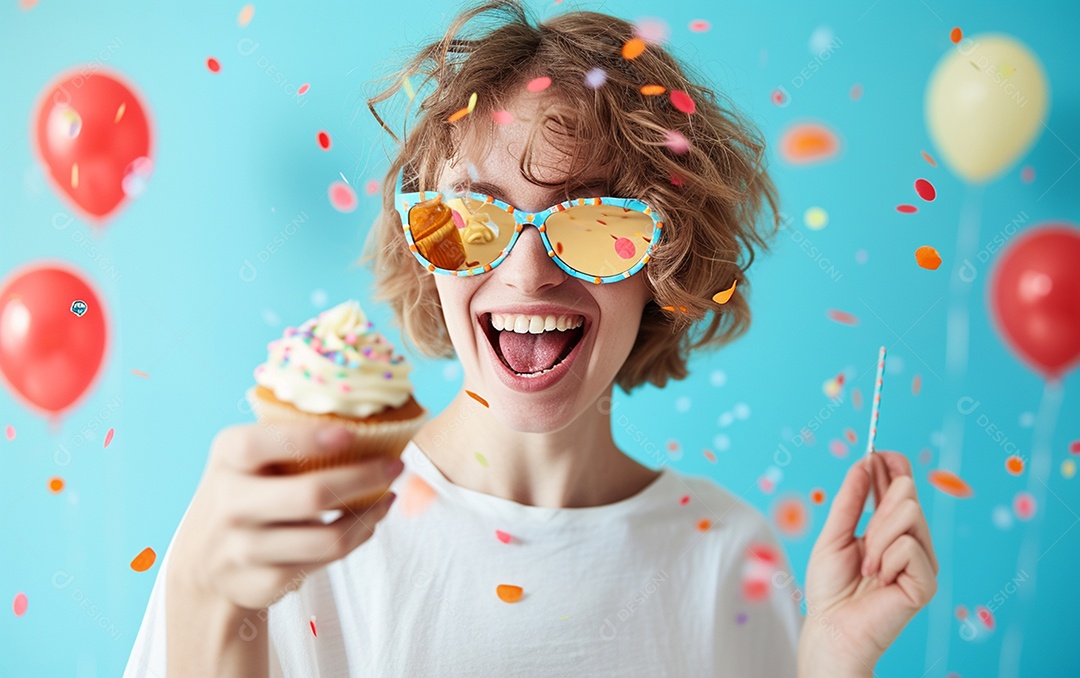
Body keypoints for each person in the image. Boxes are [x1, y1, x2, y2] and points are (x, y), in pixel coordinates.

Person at [125, 2, 938, 675]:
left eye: (595, 221)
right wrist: (204, 592)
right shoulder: (301, 527)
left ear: (665, 259)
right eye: (472, 216)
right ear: (425, 246)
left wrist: (831, 664)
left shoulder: (728, 555)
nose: (526, 274)